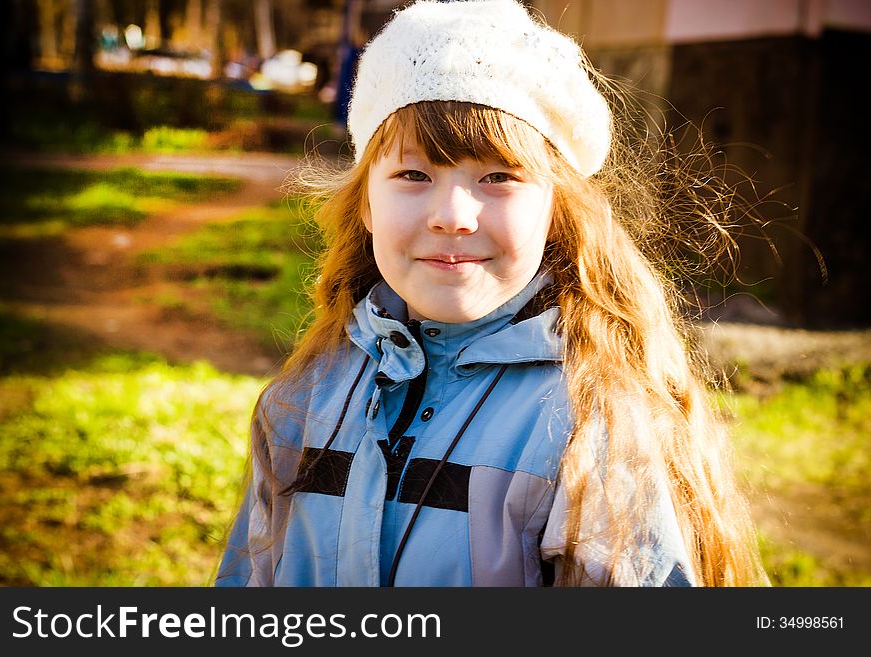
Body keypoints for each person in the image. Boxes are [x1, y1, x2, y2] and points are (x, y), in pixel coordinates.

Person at [215, 0, 769, 587]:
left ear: (556, 210)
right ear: (366, 205)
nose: (452, 215)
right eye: (412, 175)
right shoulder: (304, 398)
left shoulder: (592, 432)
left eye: (498, 177)